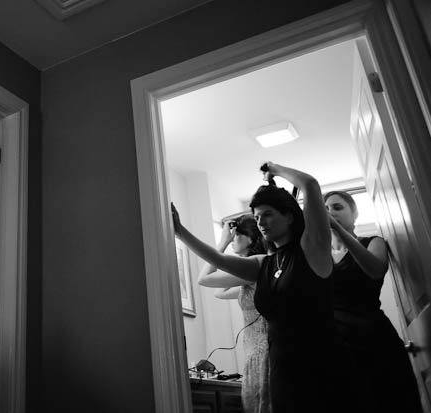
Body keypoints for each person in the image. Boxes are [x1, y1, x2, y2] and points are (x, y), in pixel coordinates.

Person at [172, 161, 340, 413]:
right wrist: (179, 230)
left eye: (268, 214)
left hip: (319, 365)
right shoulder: (264, 263)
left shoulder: (313, 249)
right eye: (258, 216)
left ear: (290, 216)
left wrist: (274, 169)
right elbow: (218, 261)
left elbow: (310, 185)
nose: (262, 222)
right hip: (280, 370)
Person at [325, 190, 423, 413]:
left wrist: (339, 229)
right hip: (338, 345)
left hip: (375, 339)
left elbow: (376, 270)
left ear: (355, 213)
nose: (331, 213)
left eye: (337, 207)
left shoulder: (374, 241)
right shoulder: (319, 254)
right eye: (326, 210)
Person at [197, 215, 270, 413]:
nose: (232, 239)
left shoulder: (255, 268)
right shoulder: (249, 274)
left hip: (264, 354)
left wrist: (222, 243)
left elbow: (204, 279)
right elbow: (219, 292)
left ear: (251, 238)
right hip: (253, 353)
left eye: (237, 235)